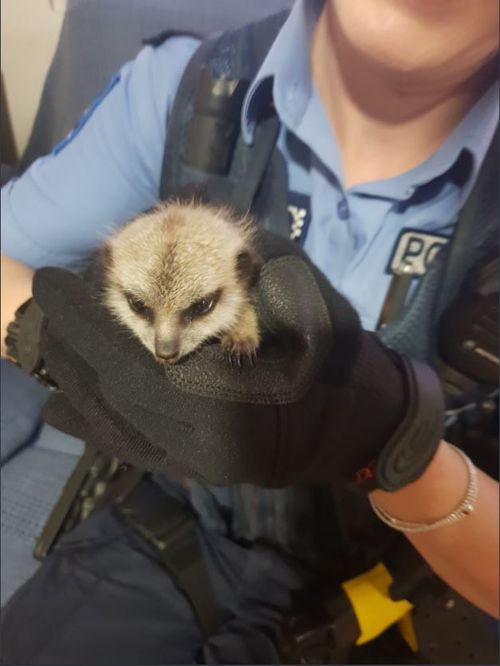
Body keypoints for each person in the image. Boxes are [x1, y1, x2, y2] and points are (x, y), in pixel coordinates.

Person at [1, 0, 498, 662]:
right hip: (171, 530)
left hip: (381, 585)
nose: (167, 344)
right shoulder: (186, 87)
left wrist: (404, 453)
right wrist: (48, 340)